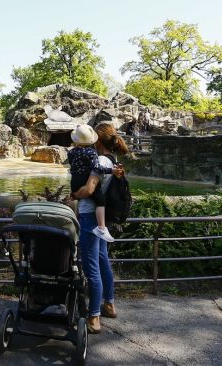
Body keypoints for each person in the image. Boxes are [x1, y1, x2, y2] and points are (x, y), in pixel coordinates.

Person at [73, 123, 129, 334]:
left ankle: (94, 315)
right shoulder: (113, 161)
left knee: (91, 268)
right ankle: (109, 304)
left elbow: (89, 189)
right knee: (103, 261)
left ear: (98, 140)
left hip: (90, 218)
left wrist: (75, 194)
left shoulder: (100, 161)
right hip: (102, 217)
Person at [68, 124, 115, 243]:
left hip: (74, 182)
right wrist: (111, 171)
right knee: (100, 201)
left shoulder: (72, 152)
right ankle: (102, 227)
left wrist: (74, 194)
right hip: (88, 204)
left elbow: (72, 165)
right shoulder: (93, 153)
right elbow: (96, 170)